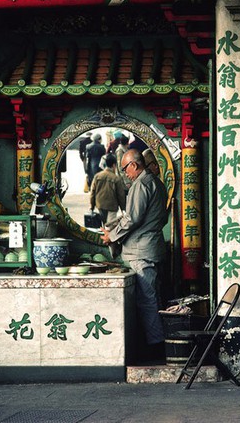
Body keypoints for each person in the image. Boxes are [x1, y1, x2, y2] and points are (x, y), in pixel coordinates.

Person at [99, 149, 169, 361]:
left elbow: (132, 219)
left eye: (125, 169)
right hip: (151, 249)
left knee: (148, 301)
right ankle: (155, 345)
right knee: (153, 299)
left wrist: (112, 236)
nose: (124, 173)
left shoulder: (141, 184)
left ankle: (155, 350)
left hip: (141, 253)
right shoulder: (157, 183)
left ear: (134, 165)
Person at [89, 154, 126, 227]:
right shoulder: (116, 179)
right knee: (110, 228)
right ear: (114, 165)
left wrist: (91, 207)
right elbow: (121, 195)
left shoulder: (97, 176)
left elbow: (92, 193)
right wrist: (123, 209)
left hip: (100, 205)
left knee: (102, 227)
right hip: (112, 207)